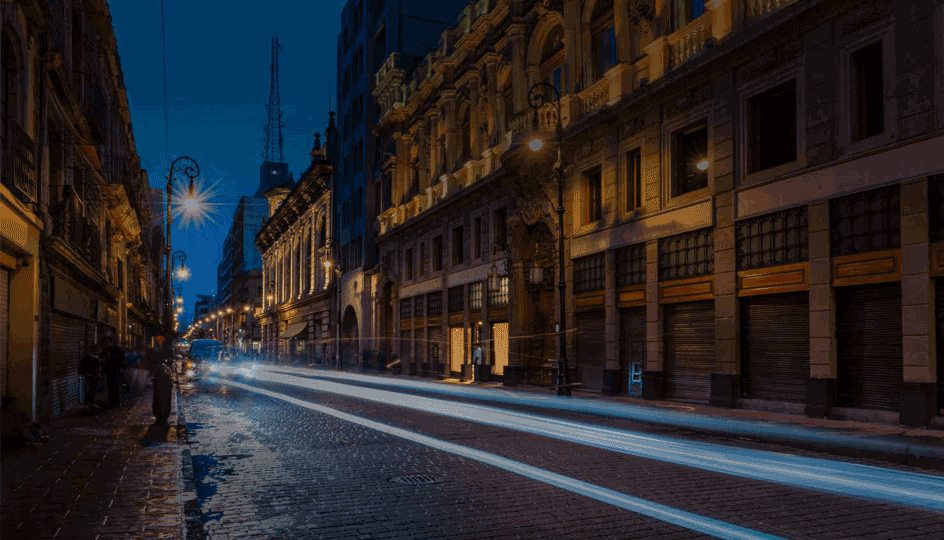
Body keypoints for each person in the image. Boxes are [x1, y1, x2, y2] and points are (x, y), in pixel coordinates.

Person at [149, 333, 174, 426]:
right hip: (157, 377)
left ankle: (164, 415)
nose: (159, 340)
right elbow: (150, 362)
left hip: (166, 378)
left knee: (165, 397)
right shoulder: (153, 350)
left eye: (161, 338)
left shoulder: (167, 350)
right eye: (157, 338)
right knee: (157, 397)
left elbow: (171, 361)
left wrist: (166, 366)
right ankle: (158, 416)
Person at [78, 344, 101, 409]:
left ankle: (91, 404)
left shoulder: (95, 359)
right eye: (97, 350)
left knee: (93, 391)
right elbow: (83, 368)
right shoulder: (88, 359)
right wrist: (87, 373)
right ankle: (87, 404)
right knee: (90, 391)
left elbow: (97, 368)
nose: (98, 352)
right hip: (90, 377)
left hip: (94, 377)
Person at [104, 338, 124, 407]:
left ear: (111, 341)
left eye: (108, 342)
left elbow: (121, 359)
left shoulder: (117, 349)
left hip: (115, 370)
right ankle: (111, 401)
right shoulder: (108, 349)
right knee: (110, 386)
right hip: (110, 370)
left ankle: (117, 401)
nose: (107, 343)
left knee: (115, 385)